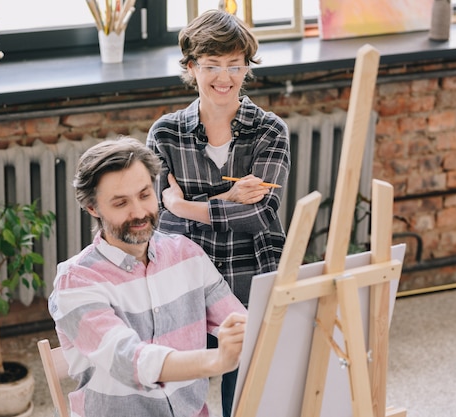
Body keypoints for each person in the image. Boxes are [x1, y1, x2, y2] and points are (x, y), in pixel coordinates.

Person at [146, 10, 290, 416]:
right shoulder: (165, 133)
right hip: (184, 283)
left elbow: (261, 215)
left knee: (244, 398)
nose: (224, 77)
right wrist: (229, 197)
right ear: (192, 68)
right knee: (178, 395)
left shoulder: (270, 130)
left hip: (252, 275)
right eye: (211, 66)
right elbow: (161, 221)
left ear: (247, 68)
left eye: (234, 65)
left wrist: (184, 203)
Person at [48, 137, 247, 417]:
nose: (139, 212)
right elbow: (130, 360)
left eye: (144, 195)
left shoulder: (187, 255)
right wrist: (217, 360)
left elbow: (238, 321)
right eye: (120, 203)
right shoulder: (76, 281)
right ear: (93, 208)